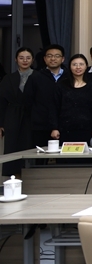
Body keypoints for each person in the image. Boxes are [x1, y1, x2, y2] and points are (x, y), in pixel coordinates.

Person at [24, 44, 68, 148]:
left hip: (66, 125)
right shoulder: (35, 77)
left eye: (57, 56)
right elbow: (27, 101)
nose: (53, 58)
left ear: (62, 59)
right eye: (49, 56)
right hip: (41, 126)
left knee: (65, 155)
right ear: (44, 59)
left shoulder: (69, 77)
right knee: (40, 155)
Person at [0, 47, 34, 176]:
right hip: (12, 116)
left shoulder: (39, 76)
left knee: (30, 146)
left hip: (32, 116)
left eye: (28, 58)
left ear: (32, 60)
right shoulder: (8, 78)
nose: (25, 61)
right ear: (16, 60)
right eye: (21, 58)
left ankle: (30, 177)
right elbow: (2, 101)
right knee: (12, 147)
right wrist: (1, 123)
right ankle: (12, 178)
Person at [58, 54, 92, 144]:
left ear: (86, 66)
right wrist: (54, 128)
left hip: (87, 129)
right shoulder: (61, 85)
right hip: (65, 129)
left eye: (81, 64)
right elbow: (54, 107)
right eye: (74, 64)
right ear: (70, 67)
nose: (78, 67)